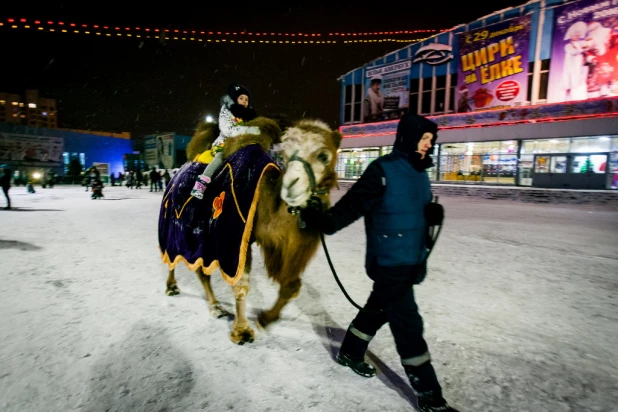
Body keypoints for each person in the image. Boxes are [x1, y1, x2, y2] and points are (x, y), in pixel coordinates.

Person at [300, 114, 457, 412]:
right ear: (408, 138)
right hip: (390, 263)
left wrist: (430, 214)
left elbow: (410, 209)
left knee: (379, 309)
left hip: (412, 260)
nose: (429, 145)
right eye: (424, 139)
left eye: (431, 140)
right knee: (409, 327)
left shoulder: (419, 171)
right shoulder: (382, 170)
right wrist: (323, 220)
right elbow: (351, 207)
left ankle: (351, 352)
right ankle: (432, 398)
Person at [191, 83, 260, 199]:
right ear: (234, 99)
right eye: (241, 98)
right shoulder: (226, 111)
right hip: (225, 143)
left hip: (241, 145)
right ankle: (200, 184)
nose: (244, 101)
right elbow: (227, 130)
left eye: (247, 99)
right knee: (220, 157)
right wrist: (248, 130)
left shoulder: (249, 115)